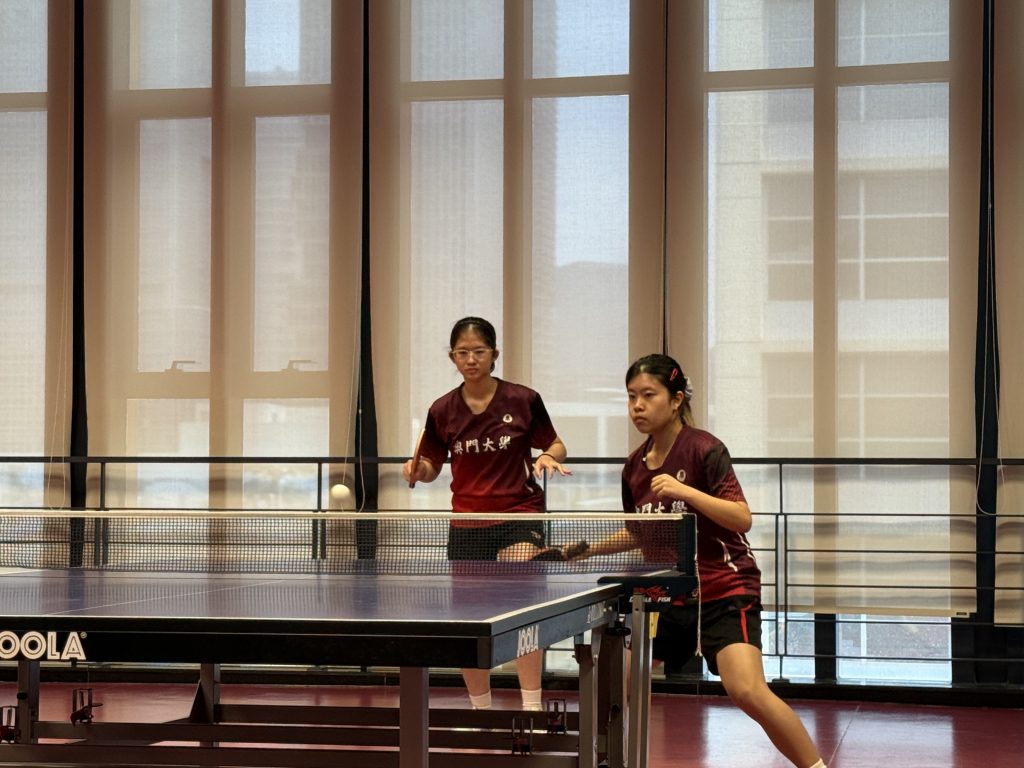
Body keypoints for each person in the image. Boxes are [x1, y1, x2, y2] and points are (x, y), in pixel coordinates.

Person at [575, 353, 827, 768]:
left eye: (648, 395)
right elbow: (639, 532)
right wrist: (583, 549)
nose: (637, 406)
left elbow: (741, 517)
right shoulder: (633, 467)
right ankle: (607, 761)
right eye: (631, 396)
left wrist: (685, 492)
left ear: (676, 400)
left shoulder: (705, 449)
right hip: (666, 595)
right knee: (613, 685)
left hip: (724, 587)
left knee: (747, 690)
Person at [402, 316, 571, 712]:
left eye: (479, 351)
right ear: (452, 357)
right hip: (467, 523)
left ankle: (531, 707)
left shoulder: (523, 399)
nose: (471, 359)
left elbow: (557, 444)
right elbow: (431, 466)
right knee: (470, 621)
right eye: (463, 353)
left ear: (495, 354)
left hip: (519, 516)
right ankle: (481, 710)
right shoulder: (442, 410)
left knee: (523, 610)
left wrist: (547, 456)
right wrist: (416, 471)